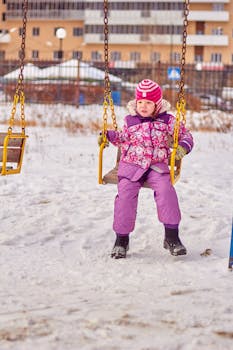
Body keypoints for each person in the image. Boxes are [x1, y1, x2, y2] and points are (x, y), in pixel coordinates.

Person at [101, 79, 193, 259]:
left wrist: (183, 146)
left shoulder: (167, 120)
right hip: (131, 166)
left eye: (148, 102)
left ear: (156, 104)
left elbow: (186, 134)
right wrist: (108, 136)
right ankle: (121, 240)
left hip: (156, 166)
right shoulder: (130, 120)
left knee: (166, 191)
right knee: (125, 196)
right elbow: (122, 138)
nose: (143, 106)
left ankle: (171, 237)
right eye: (140, 102)